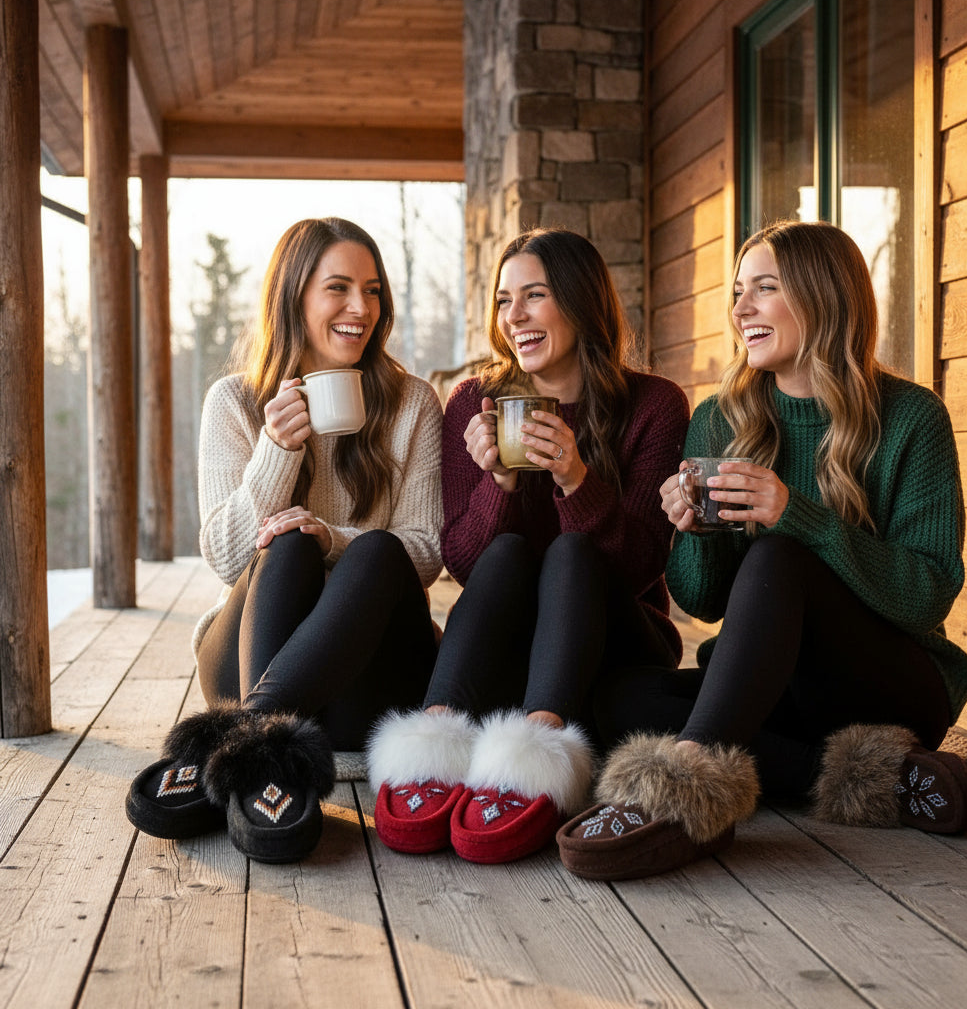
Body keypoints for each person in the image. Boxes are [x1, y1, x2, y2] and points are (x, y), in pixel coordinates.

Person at [556, 220, 967, 882]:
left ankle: (686, 792)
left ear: (823, 297)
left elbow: (927, 593)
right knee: (620, 700)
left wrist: (800, 517)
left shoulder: (910, 417)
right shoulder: (721, 419)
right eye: (736, 292)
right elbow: (701, 598)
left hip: (891, 683)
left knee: (780, 558)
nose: (740, 308)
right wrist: (696, 533)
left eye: (764, 288)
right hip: (784, 692)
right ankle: (875, 780)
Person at [367, 227, 690, 863]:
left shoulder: (653, 404)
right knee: (510, 552)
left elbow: (642, 563)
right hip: (513, 652)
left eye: (534, 295)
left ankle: (539, 753)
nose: (514, 316)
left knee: (570, 554)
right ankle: (434, 739)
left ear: (579, 301)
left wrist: (576, 480)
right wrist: (500, 487)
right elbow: (464, 562)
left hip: (619, 643)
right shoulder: (475, 401)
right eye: (503, 300)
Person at [126, 217, 443, 863]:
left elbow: (426, 552)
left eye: (374, 290)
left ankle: (236, 742)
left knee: (374, 548)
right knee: (286, 545)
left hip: (363, 678)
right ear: (294, 295)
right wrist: (276, 452)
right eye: (339, 288)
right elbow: (223, 558)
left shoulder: (412, 404)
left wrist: (331, 535)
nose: (362, 308)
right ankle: (263, 739)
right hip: (248, 660)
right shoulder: (235, 402)